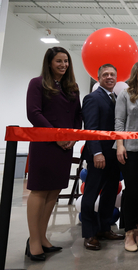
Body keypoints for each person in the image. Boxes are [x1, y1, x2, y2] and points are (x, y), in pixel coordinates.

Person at [25, 47, 82, 261]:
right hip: (45, 145)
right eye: (59, 61)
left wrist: (73, 137)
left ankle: (42, 237)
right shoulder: (37, 83)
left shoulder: (72, 87)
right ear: (49, 63)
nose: (63, 65)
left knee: (54, 191)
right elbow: (33, 113)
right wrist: (55, 136)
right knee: (39, 191)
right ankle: (33, 241)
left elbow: (78, 116)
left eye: (66, 61)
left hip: (65, 146)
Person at [82, 64, 125, 251]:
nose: (109, 77)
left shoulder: (116, 98)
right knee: (91, 195)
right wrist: (97, 153)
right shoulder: (92, 98)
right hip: (99, 156)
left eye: (112, 75)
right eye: (105, 75)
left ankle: (104, 228)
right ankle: (90, 233)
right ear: (98, 78)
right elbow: (91, 128)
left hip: (115, 155)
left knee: (109, 193)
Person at [114, 61, 138, 252]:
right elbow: (119, 121)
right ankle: (128, 232)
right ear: (135, 74)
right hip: (130, 149)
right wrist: (120, 145)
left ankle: (137, 230)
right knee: (132, 191)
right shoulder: (125, 94)